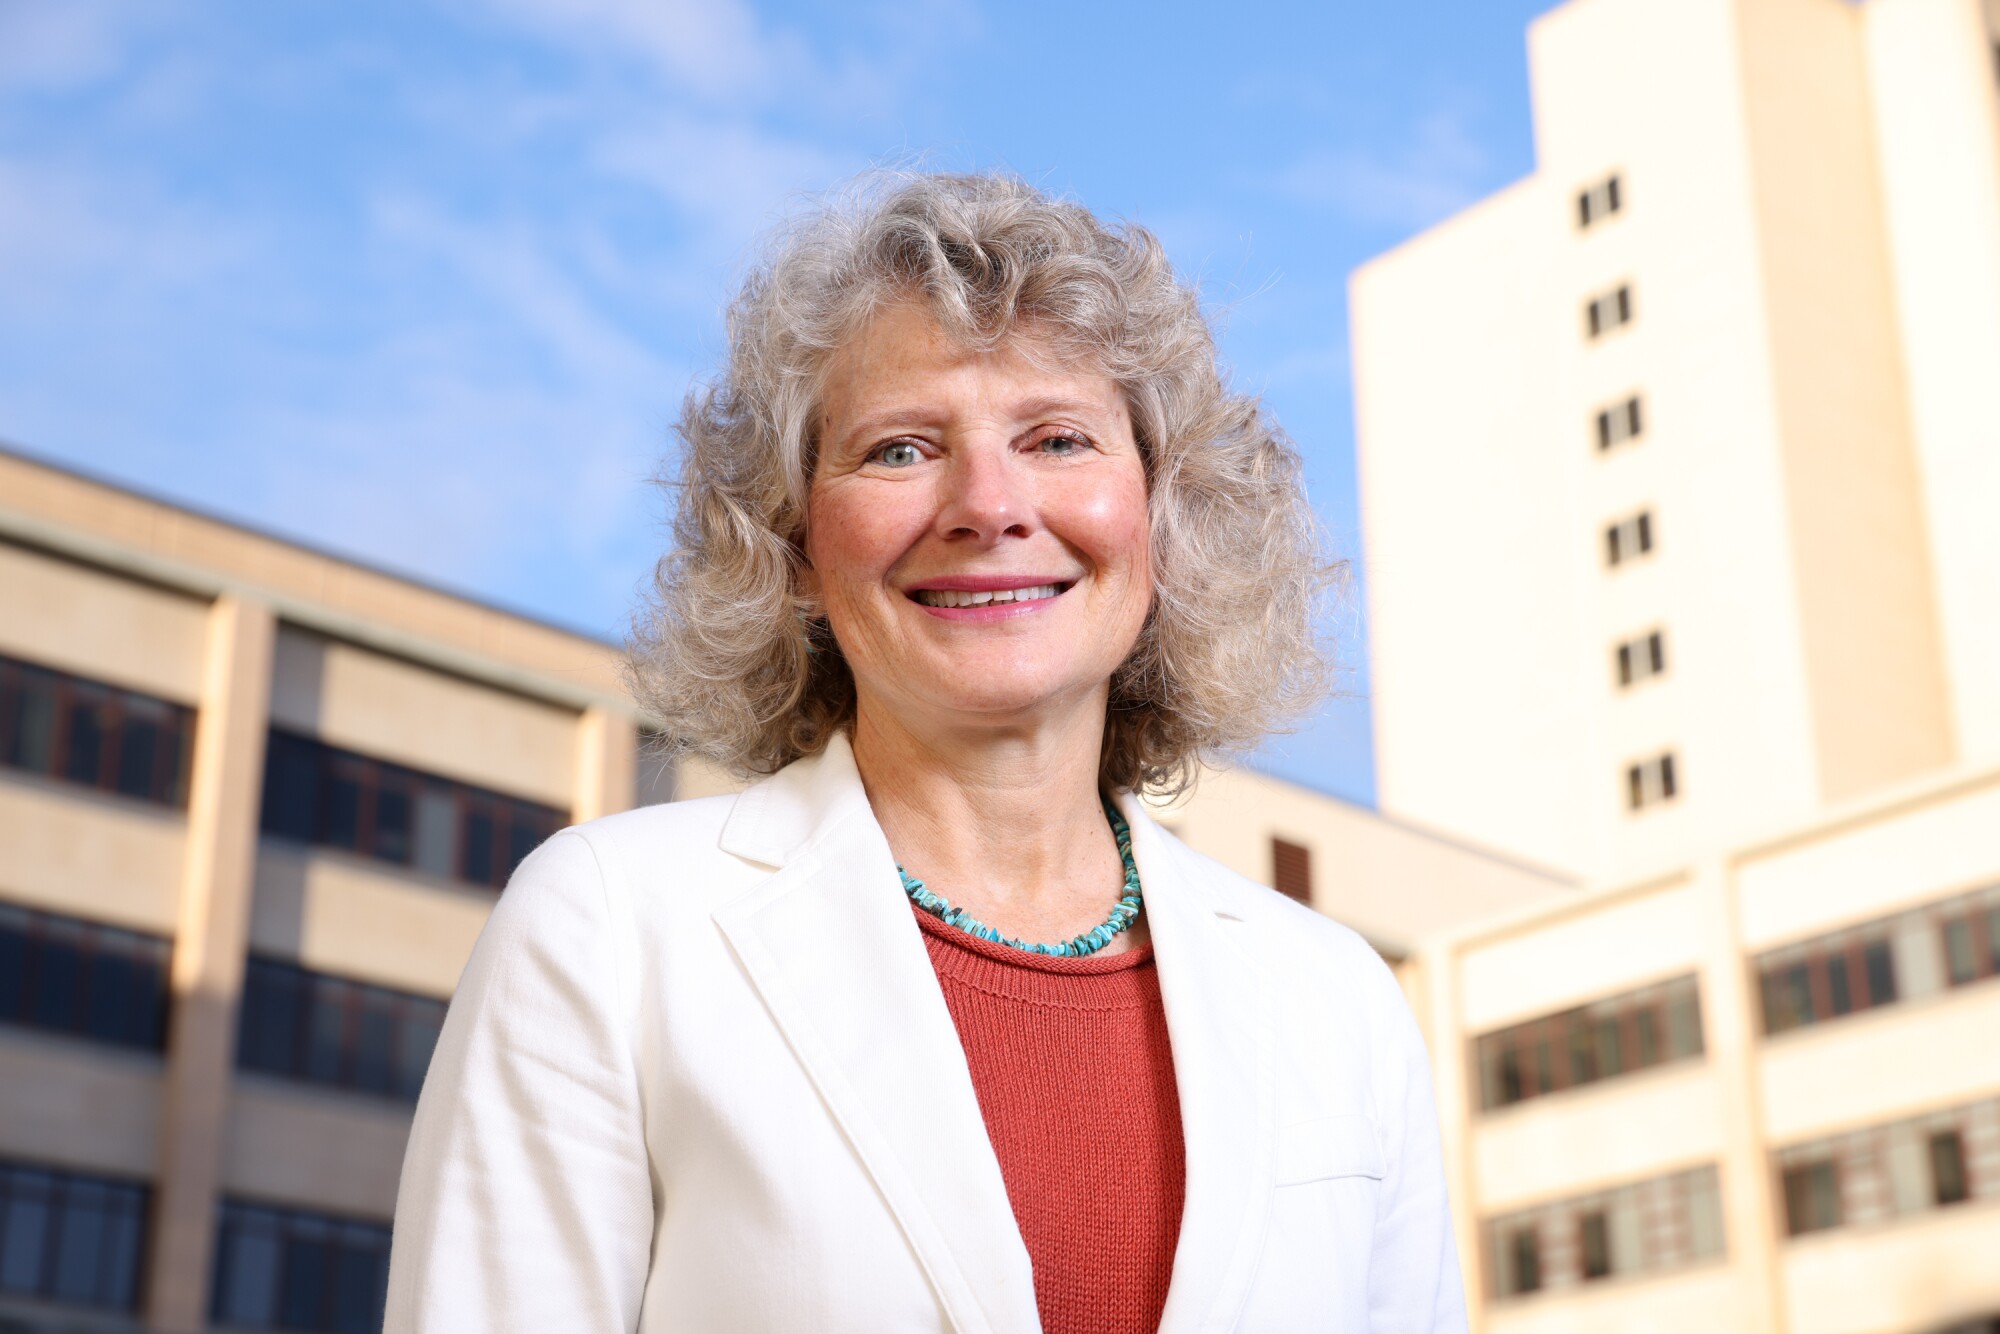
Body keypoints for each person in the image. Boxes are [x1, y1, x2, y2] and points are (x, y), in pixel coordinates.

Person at [384, 172, 1466, 1333]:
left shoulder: (1335, 997)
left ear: (1163, 513)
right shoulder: (606, 928)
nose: (987, 504)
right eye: (899, 450)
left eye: (1057, 437)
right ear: (793, 543)